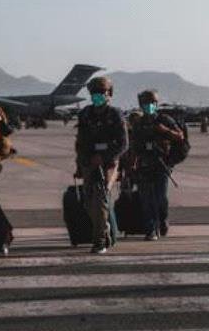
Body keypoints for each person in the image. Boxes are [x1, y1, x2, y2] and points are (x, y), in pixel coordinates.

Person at [75, 76, 128, 254]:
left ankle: (100, 241)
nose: (97, 96)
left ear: (109, 94)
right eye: (94, 93)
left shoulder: (115, 115)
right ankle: (106, 231)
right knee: (89, 202)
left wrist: (104, 157)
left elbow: (123, 144)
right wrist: (81, 163)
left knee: (101, 196)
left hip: (109, 162)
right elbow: (80, 142)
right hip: (89, 162)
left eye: (101, 93)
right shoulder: (85, 114)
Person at [129, 90, 184, 240]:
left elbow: (180, 136)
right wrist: (132, 164)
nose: (149, 106)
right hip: (144, 165)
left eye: (152, 103)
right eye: (146, 103)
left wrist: (165, 130)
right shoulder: (138, 124)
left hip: (161, 164)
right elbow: (134, 145)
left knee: (160, 198)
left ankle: (163, 220)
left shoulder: (165, 120)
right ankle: (150, 229)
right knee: (146, 199)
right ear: (141, 105)